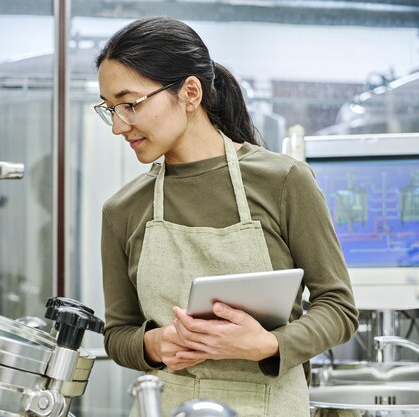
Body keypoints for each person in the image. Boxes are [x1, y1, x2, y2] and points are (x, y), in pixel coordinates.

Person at [94, 16, 358, 417]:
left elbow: (338, 308)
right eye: (110, 109)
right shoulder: (123, 209)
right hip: (168, 405)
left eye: (130, 105)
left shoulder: (284, 181)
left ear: (190, 92)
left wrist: (270, 346)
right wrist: (155, 344)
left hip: (271, 403)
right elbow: (117, 334)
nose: (118, 126)